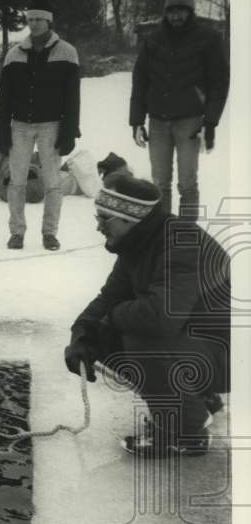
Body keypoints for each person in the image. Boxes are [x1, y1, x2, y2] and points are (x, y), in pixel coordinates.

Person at [64, 175, 230, 457]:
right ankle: (197, 396)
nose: (98, 227)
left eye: (105, 219)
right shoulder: (140, 243)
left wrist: (111, 319)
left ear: (131, 218)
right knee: (107, 333)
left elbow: (161, 317)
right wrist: (83, 335)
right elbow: (109, 297)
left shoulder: (181, 242)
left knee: (141, 335)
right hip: (197, 343)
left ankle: (187, 432)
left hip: (231, 351)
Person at [129, 0, 230, 216]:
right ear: (166, 13)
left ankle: (184, 239)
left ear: (189, 11)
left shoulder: (208, 38)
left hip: (190, 122)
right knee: (159, 184)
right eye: (171, 11)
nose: (176, 16)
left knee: (187, 183)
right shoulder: (153, 39)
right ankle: (163, 236)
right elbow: (140, 81)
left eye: (181, 11)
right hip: (158, 122)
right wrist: (136, 121)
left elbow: (219, 83)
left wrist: (211, 123)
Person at [0, 0, 80, 252]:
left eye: (39, 20)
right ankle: (17, 232)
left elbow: (72, 98)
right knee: (16, 181)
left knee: (52, 182)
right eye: (30, 20)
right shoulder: (14, 54)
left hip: (51, 127)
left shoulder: (67, 53)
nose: (34, 24)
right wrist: (0, 130)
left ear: (49, 21)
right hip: (19, 126)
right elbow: (3, 98)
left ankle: (49, 232)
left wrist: (69, 131)